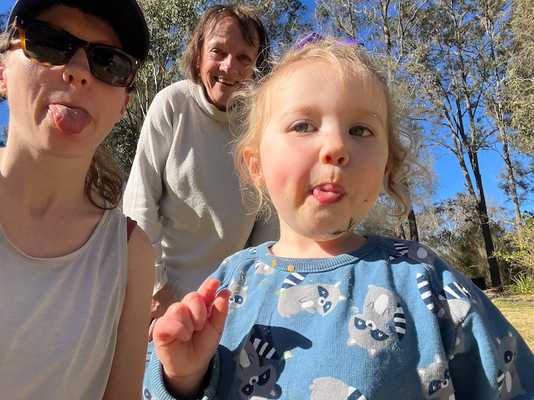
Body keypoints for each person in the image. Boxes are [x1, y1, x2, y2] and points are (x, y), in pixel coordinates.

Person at [143, 37, 534, 399]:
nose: (336, 146)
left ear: (386, 166)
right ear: (256, 166)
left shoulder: (424, 281)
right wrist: (182, 378)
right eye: (303, 125)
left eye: (360, 129)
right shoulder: (229, 284)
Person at [0, 0, 153, 398]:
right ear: (2, 70)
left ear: (124, 105)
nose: (80, 71)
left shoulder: (129, 254)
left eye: (110, 64)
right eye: (50, 43)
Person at [123, 4, 277, 317]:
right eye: (218, 51)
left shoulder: (262, 128)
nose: (229, 66)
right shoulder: (173, 105)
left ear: (257, 67)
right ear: (198, 55)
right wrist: (155, 288)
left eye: (244, 57)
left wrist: (251, 296)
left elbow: (268, 225)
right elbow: (139, 203)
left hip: (231, 305)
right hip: (159, 299)